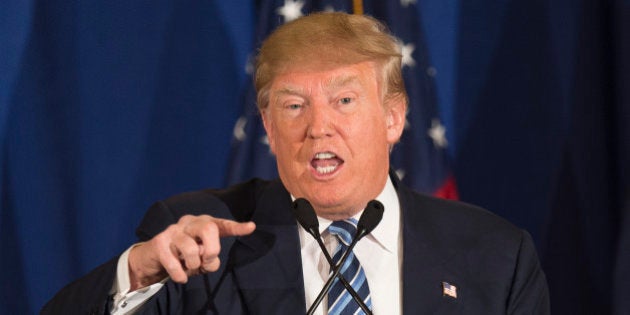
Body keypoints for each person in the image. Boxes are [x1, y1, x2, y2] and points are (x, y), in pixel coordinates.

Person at [42, 12, 549, 314]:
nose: (318, 127)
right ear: (267, 124)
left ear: (393, 119)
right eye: (293, 105)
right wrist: (139, 270)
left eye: (344, 101)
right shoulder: (200, 244)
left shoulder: (496, 256)